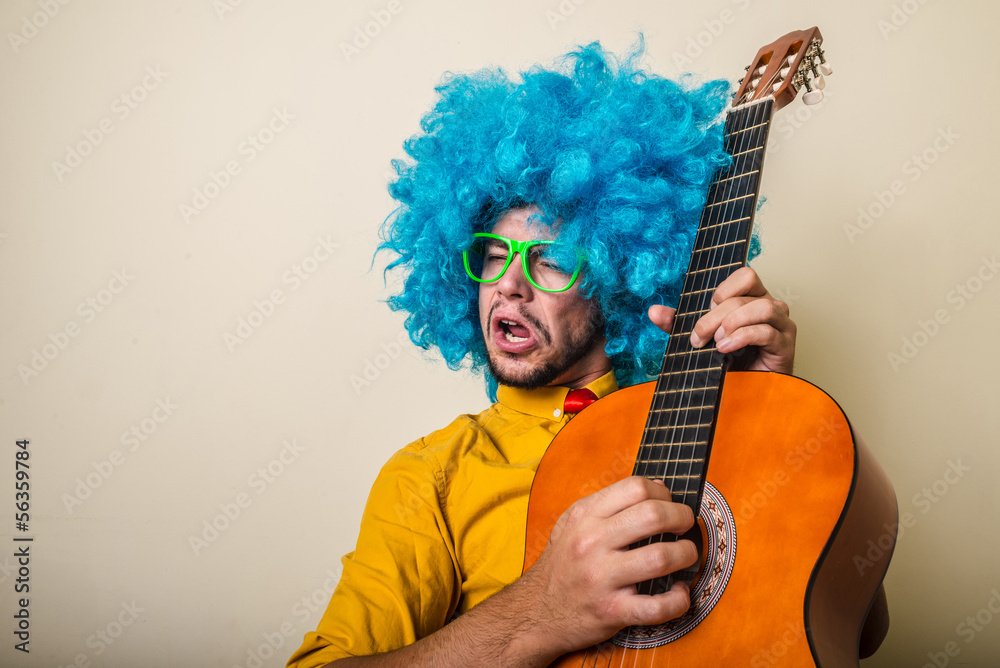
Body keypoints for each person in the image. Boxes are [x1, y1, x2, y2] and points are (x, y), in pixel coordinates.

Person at [286, 41, 815, 667]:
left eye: (551, 260)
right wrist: (540, 613)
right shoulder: (433, 475)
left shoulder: (702, 426)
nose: (509, 283)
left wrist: (772, 418)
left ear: (618, 280)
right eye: (492, 256)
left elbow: (857, 626)